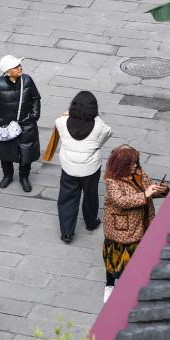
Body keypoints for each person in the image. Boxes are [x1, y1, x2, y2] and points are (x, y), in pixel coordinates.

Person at [102, 145, 168, 302]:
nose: (135, 166)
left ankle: (134, 285)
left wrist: (161, 190)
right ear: (122, 164)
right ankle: (109, 286)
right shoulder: (112, 180)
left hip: (143, 222)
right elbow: (120, 201)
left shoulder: (139, 173)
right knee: (114, 260)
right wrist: (145, 194)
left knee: (138, 259)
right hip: (122, 228)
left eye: (136, 162)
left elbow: (150, 190)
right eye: (132, 163)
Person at [55, 91, 113, 243]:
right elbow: (108, 133)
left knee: (67, 198)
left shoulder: (61, 122)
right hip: (90, 168)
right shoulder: (99, 126)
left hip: (69, 167)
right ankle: (91, 222)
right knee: (90, 196)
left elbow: (60, 122)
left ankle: (67, 232)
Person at [0, 55, 41, 193]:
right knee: (5, 152)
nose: (20, 68)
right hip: (6, 125)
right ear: (8, 71)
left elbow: (35, 98)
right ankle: (8, 176)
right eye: (16, 67)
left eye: (19, 65)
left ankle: (24, 177)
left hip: (26, 123)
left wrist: (34, 116)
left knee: (26, 152)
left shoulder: (27, 80)